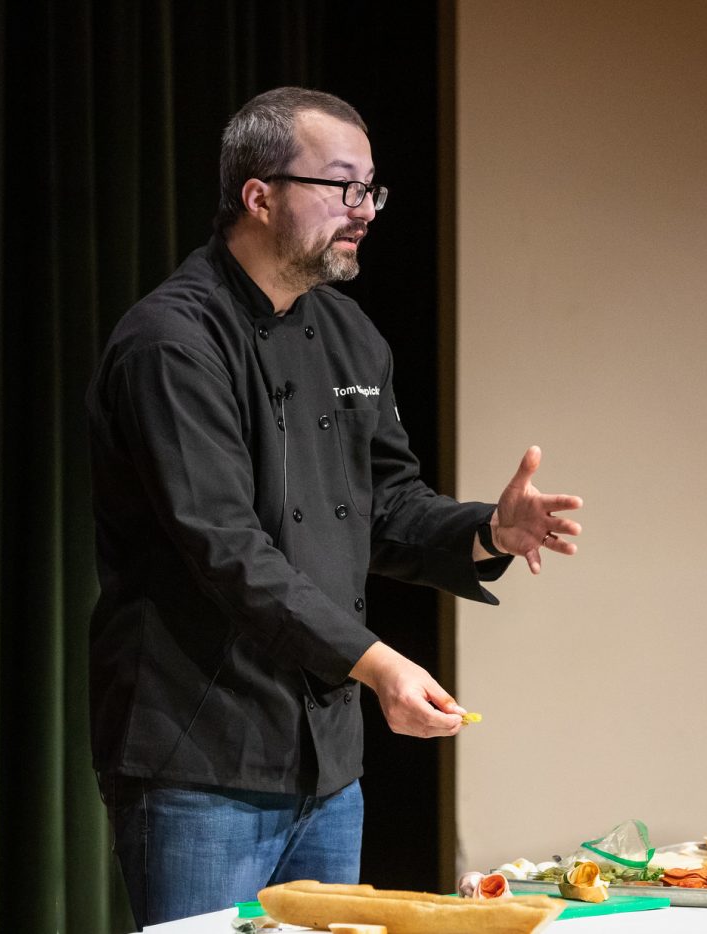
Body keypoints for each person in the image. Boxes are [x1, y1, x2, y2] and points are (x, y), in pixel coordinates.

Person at [85, 87, 582, 927]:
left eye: (372, 190)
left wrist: (487, 531)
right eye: (343, 187)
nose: (365, 211)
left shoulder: (352, 337)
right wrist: (381, 665)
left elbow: (383, 505)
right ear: (259, 194)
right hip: (200, 754)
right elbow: (225, 546)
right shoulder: (172, 341)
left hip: (327, 767)